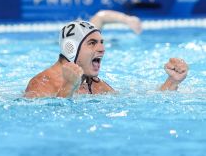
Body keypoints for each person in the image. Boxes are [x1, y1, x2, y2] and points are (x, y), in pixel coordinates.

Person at [24, 20, 188, 98]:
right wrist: (68, 87)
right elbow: (49, 127)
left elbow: (137, 101)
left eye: (102, 42)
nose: (102, 48)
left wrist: (172, 82)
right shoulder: (41, 83)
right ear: (71, 49)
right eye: (92, 43)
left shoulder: (93, 84)